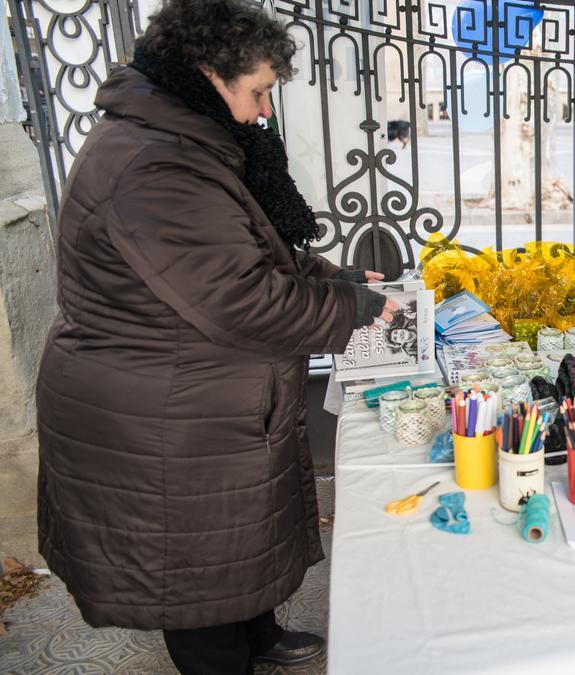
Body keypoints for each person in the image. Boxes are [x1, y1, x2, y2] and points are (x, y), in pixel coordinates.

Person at [34, 0, 398, 672]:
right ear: (207, 73)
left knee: (232, 542)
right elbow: (242, 299)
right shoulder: (154, 166)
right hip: (159, 409)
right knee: (193, 573)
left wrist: (334, 277)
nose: (265, 111)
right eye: (258, 92)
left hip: (195, 391)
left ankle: (257, 636)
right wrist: (350, 308)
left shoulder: (183, 139)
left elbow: (246, 251)